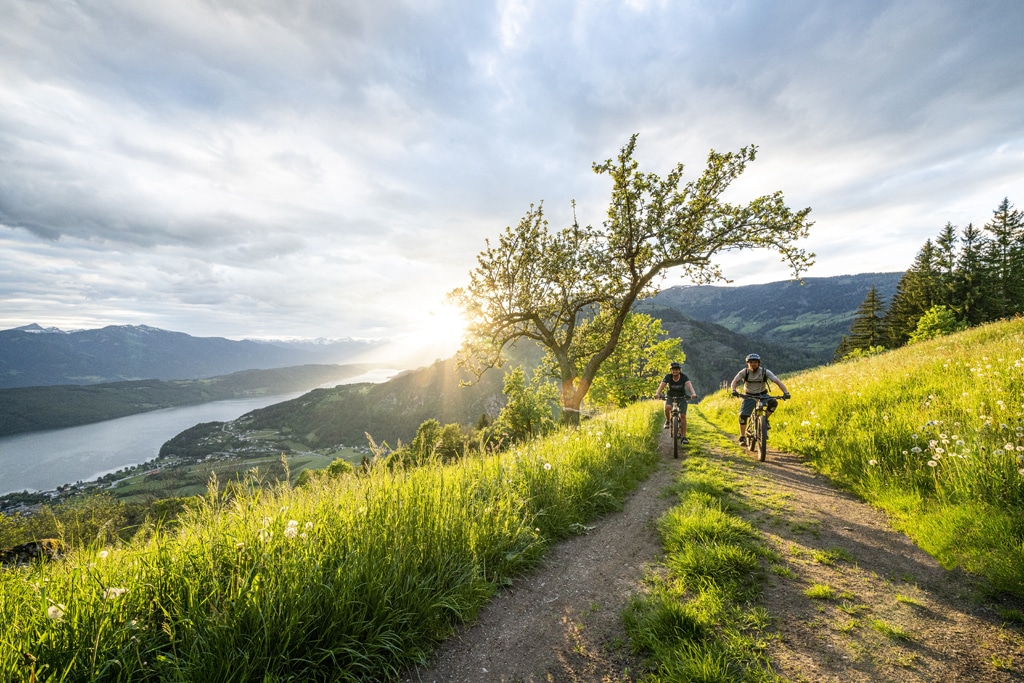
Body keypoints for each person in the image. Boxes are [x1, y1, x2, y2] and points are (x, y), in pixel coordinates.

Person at [730, 353, 790, 445]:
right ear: (747, 363)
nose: (753, 364)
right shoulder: (744, 372)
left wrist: (786, 392)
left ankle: (764, 419)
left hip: (763, 395)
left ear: (759, 363)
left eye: (755, 362)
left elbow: (777, 381)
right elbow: (734, 381)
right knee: (743, 416)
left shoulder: (765, 372)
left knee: (773, 403)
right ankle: (742, 437)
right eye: (750, 362)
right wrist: (733, 390)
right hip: (749, 395)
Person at [655, 361, 697, 443]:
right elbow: (662, 385)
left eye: (677, 370)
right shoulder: (668, 377)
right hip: (670, 396)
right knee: (667, 407)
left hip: (682, 397)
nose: (675, 371)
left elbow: (689, 385)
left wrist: (693, 393)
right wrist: (657, 393)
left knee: (683, 415)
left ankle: (684, 437)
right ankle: (667, 421)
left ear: (679, 370)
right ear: (671, 370)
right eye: (673, 370)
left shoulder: (684, 377)